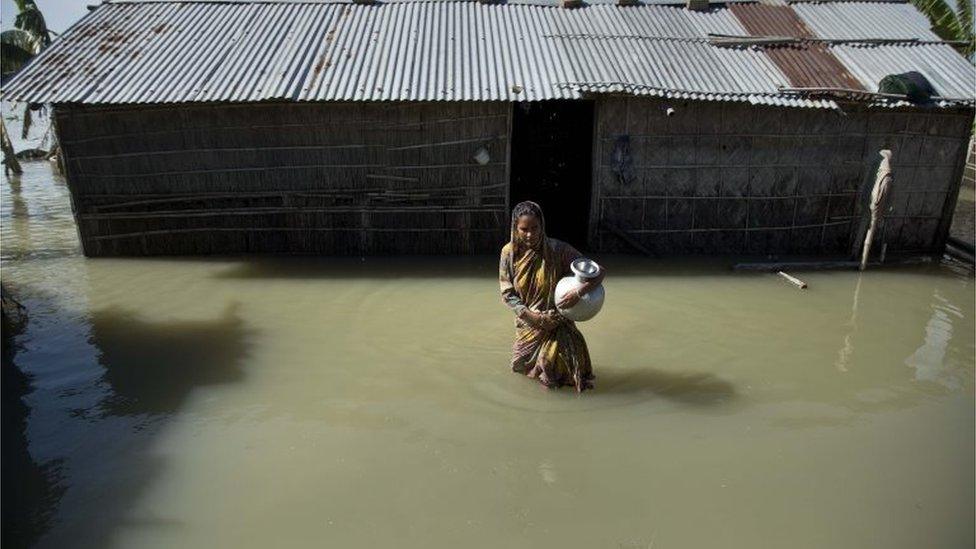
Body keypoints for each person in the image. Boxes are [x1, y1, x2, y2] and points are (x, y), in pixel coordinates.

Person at [498, 201, 605, 392]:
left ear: (542, 226)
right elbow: (507, 293)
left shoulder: (558, 250)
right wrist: (535, 318)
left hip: (557, 321)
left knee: (549, 370)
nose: (530, 234)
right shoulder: (509, 253)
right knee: (520, 365)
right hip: (528, 322)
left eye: (534, 228)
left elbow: (598, 272)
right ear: (516, 227)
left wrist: (578, 293)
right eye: (524, 229)